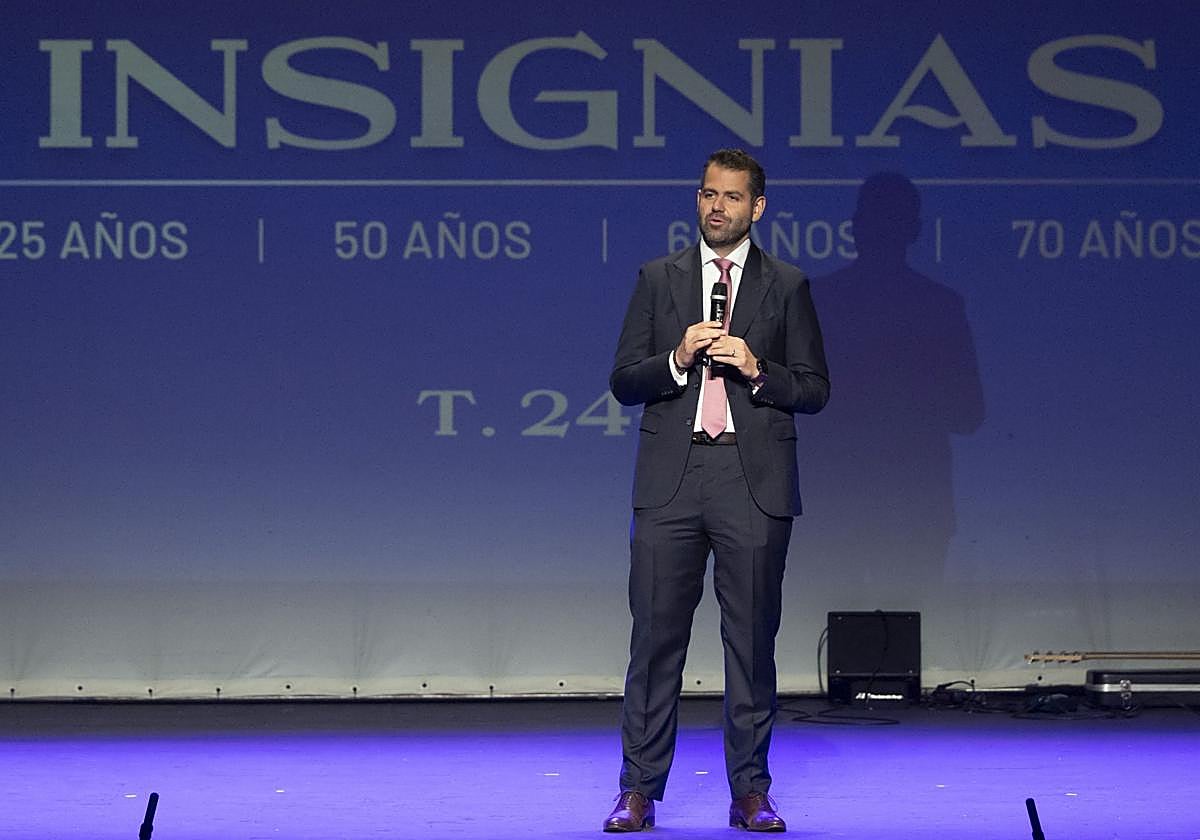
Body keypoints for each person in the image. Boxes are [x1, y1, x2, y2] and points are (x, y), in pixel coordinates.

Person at [604, 149, 830, 833]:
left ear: (756, 207)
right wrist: (675, 358)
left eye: (732, 197)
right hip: (672, 482)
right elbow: (622, 380)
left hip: (750, 480)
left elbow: (815, 390)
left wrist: (761, 371)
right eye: (708, 194)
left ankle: (751, 792)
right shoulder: (657, 278)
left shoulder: (785, 285)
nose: (717, 207)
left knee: (751, 642)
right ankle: (638, 790)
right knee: (655, 641)